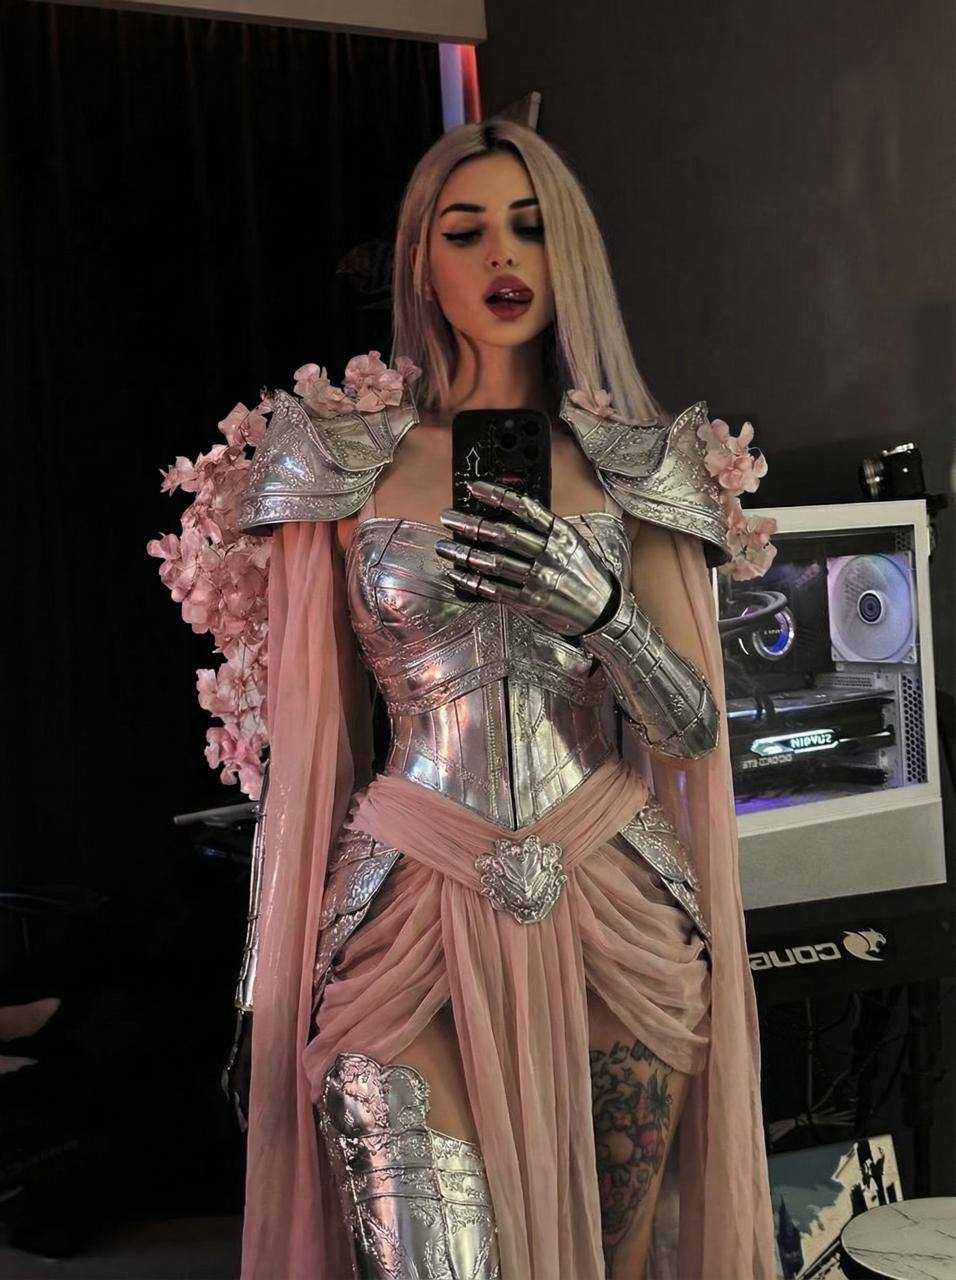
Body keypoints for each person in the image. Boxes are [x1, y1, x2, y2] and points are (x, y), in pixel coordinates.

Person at [160, 119, 777, 1279]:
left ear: (567, 255)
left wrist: (601, 610)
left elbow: (692, 728)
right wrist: (262, 979)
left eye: (529, 228)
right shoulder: (339, 463)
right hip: (403, 897)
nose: (501, 255)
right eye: (465, 230)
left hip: (608, 901)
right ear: (420, 262)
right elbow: (310, 750)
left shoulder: (635, 465)